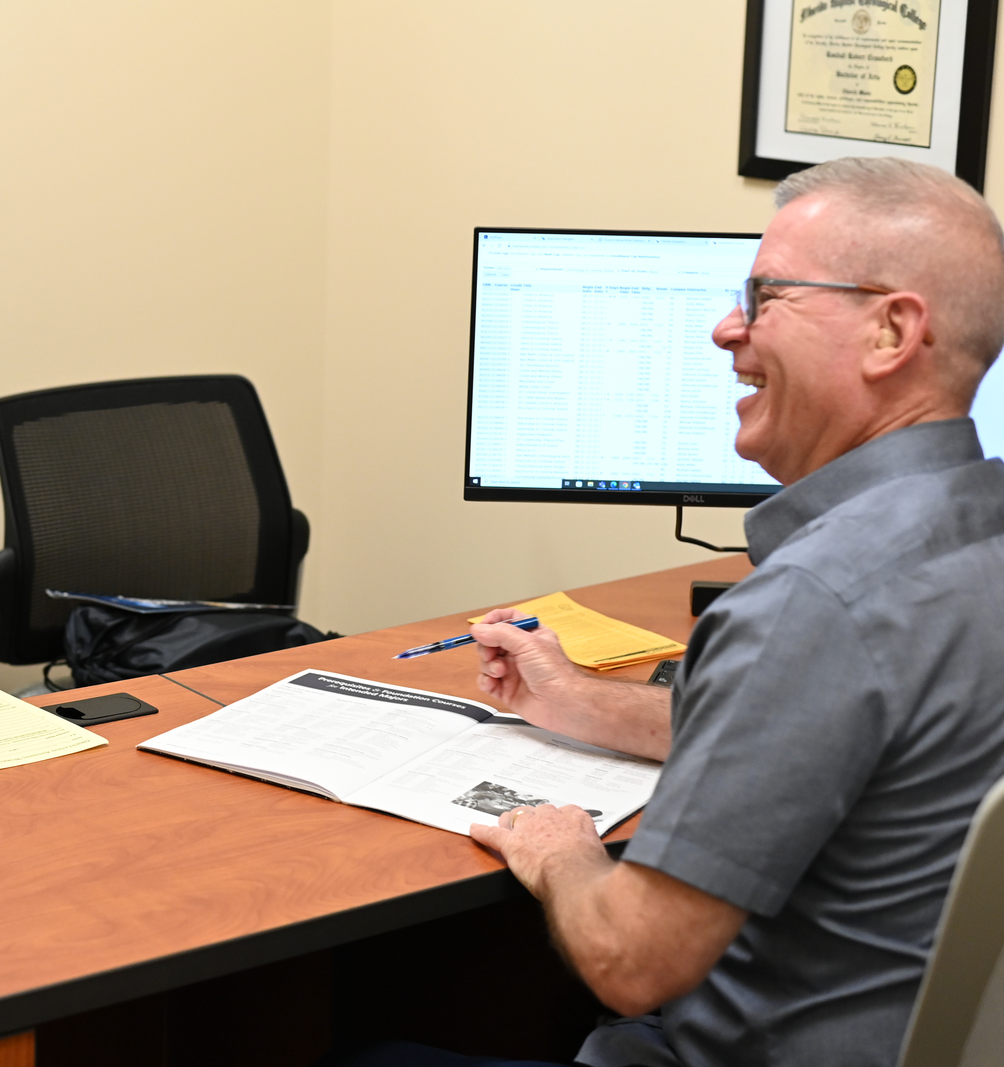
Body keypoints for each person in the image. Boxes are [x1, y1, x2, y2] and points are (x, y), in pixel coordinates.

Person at [330, 156, 1004, 1067]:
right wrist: (579, 700)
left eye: (766, 297)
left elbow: (629, 959)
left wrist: (562, 850)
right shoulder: (973, 537)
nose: (728, 327)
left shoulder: (811, 601)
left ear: (891, 330)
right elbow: (832, 733)